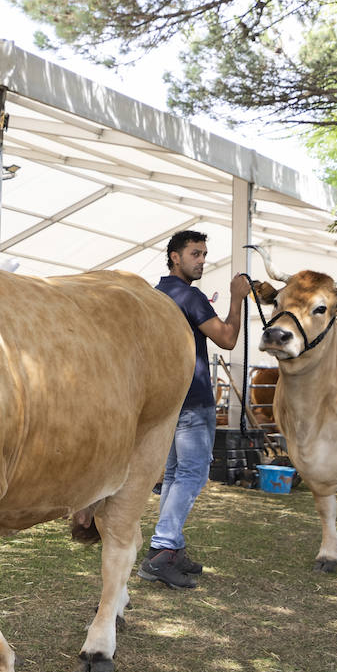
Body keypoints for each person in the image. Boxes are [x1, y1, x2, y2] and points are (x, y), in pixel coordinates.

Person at [138, 230, 251, 589]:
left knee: (172, 475)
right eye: (195, 254)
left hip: (167, 401)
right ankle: (162, 549)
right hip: (194, 399)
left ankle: (174, 548)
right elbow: (227, 338)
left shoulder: (154, 295)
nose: (202, 260)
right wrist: (237, 299)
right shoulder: (190, 296)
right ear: (175, 257)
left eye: (204, 254)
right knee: (192, 475)